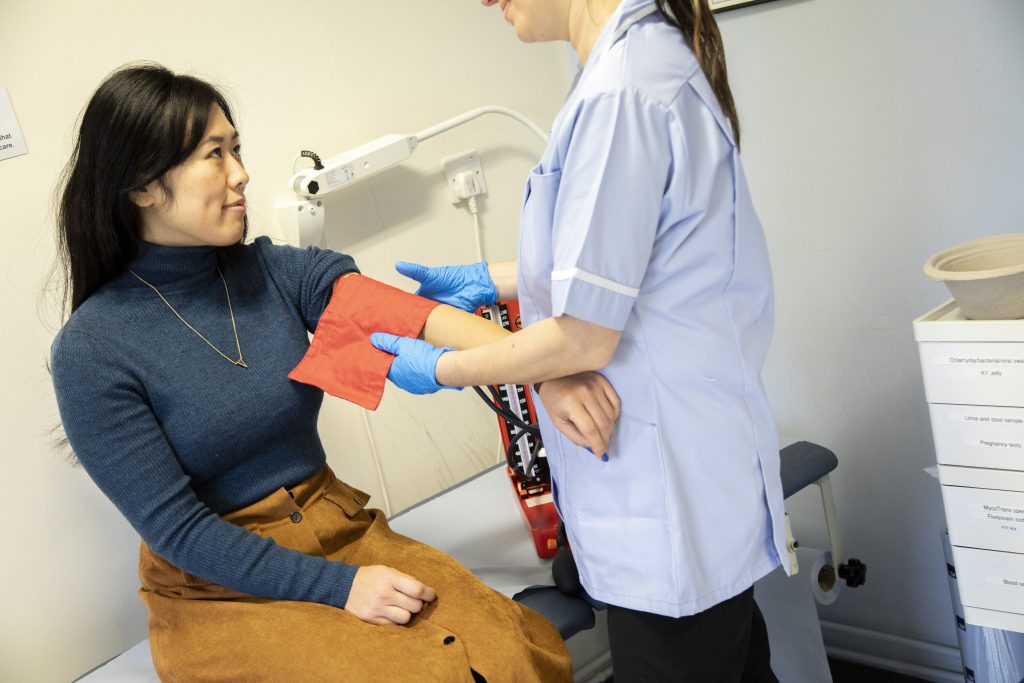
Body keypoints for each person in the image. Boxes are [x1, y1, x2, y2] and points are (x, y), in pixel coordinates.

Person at [49, 63, 586, 683]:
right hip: (219, 585)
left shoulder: (274, 273)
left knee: (513, 652)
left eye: (237, 149)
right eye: (214, 154)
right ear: (142, 186)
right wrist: (338, 587)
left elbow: (416, 319)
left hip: (340, 529)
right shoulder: (91, 351)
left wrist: (546, 375)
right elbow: (179, 531)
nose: (241, 173)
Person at [370, 0, 788, 680]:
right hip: (690, 478)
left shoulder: (623, 91)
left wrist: (446, 366)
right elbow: (618, 272)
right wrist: (491, 279)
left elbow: (585, 335)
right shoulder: (631, 70)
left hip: (665, 502)